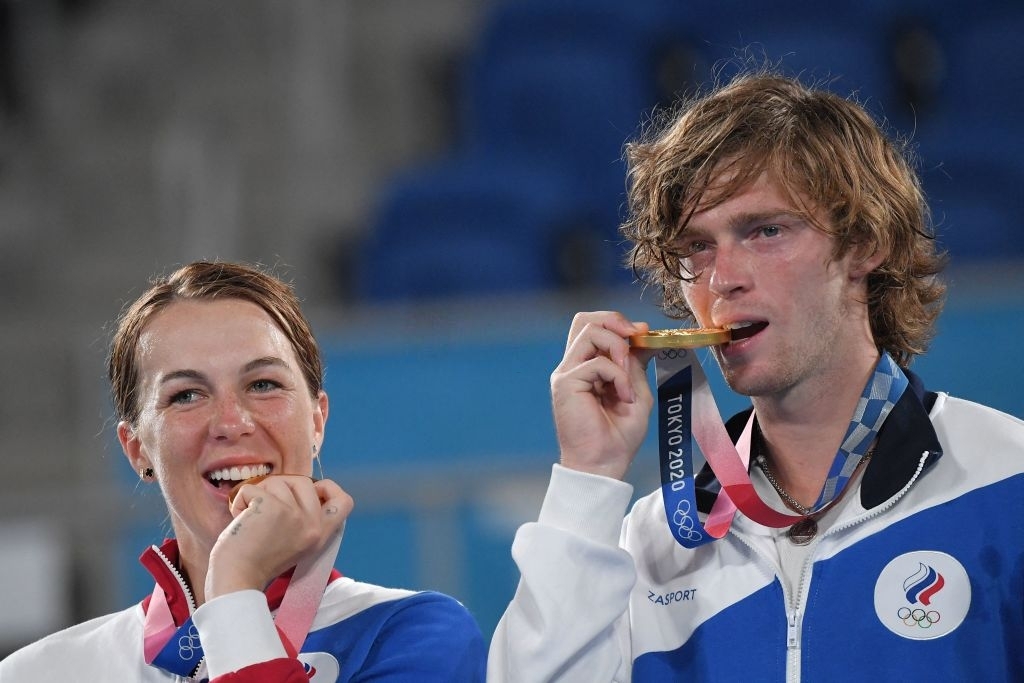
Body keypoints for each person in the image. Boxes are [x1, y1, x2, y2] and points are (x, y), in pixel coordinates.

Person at [488, 68, 1024, 681]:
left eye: (765, 231)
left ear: (865, 243)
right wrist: (587, 482)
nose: (722, 279)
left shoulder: (1006, 485)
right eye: (697, 247)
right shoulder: (654, 541)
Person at [0, 261, 487, 682]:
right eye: (186, 395)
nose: (231, 423)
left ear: (317, 421)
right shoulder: (39, 674)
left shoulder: (410, 635)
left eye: (263, 384)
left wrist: (234, 588)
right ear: (137, 450)